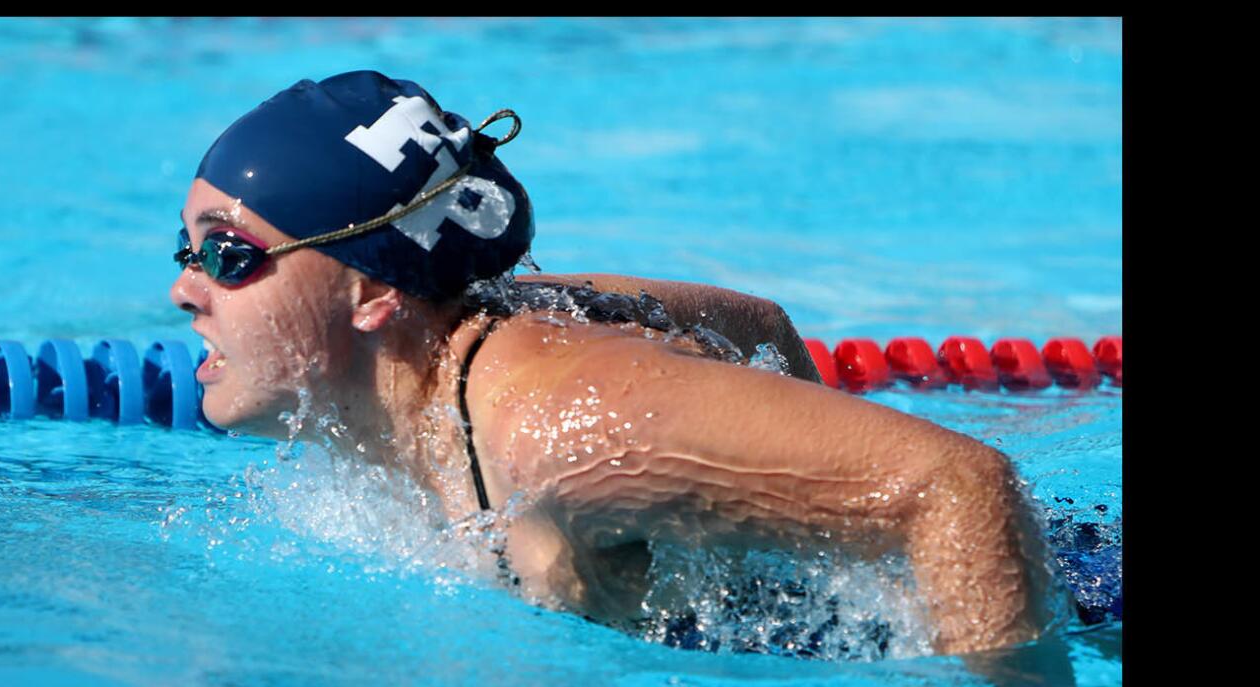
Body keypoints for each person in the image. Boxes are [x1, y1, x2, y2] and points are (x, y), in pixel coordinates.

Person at [169, 70, 1064, 656]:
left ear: (376, 293)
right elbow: (757, 321)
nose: (184, 289)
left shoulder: (555, 425)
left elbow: (960, 484)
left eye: (230, 256)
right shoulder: (465, 331)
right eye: (186, 249)